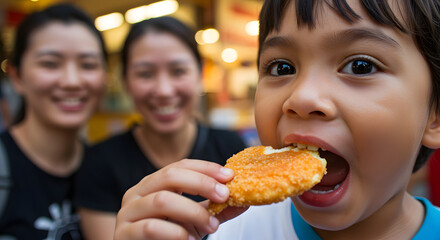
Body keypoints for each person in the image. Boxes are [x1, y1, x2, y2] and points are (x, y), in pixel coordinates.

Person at [112, 0, 440, 239]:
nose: (302, 98)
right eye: (282, 67)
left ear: (435, 114)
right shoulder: (227, 233)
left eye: (361, 66)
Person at [74, 16, 246, 240]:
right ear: (125, 80)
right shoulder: (99, 163)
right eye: (145, 74)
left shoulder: (230, 147)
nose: (164, 90)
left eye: (178, 71)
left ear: (199, 73)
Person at [0, 3, 107, 239]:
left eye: (88, 65)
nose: (71, 81)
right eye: (50, 63)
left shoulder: (109, 168)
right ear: (17, 76)